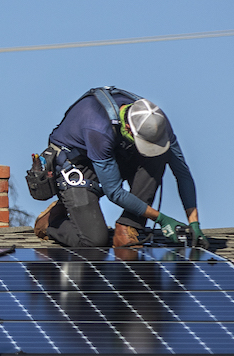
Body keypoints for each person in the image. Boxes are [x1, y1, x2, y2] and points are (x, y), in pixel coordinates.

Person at [35, 86, 204, 248]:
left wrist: (194, 223)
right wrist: (162, 219)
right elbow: (114, 192)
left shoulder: (156, 121)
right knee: (94, 241)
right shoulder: (98, 127)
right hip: (74, 168)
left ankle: (127, 227)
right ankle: (51, 222)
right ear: (129, 128)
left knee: (158, 155)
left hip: (110, 156)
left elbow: (183, 174)